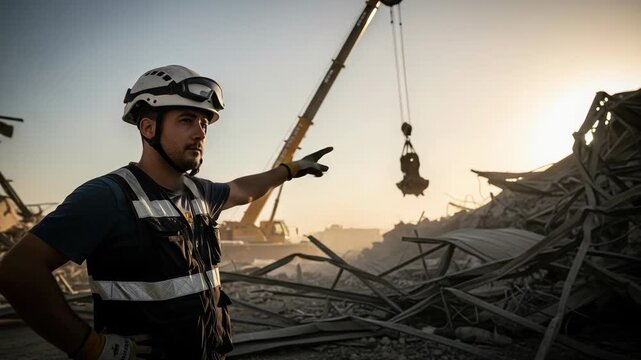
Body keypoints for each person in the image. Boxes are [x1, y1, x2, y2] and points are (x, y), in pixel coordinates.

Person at [0, 65, 332, 360]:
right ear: (148, 127)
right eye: (186, 120)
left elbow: (243, 189)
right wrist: (89, 346)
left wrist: (290, 169)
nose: (200, 132)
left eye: (204, 123)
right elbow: (17, 270)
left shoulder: (199, 193)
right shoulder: (108, 196)